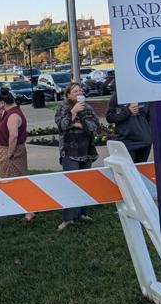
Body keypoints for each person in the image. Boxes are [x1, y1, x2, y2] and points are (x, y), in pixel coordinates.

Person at [54, 82, 100, 231]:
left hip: (86, 150)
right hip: (69, 151)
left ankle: (81, 213)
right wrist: (73, 112)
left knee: (84, 183)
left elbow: (95, 126)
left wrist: (79, 125)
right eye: (75, 91)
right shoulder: (62, 108)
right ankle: (68, 218)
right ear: (68, 94)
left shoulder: (88, 108)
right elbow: (61, 126)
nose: (79, 93)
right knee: (71, 184)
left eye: (80, 90)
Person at [0, 87, 32, 221]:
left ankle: (29, 211)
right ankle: (16, 206)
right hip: (4, 149)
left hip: (10, 151)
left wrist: (9, 153)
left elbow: (13, 136)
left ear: (3, 102)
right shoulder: (7, 112)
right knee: (8, 179)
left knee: (18, 180)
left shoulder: (14, 115)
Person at [105, 91, 153, 163]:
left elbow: (150, 118)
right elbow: (110, 118)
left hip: (144, 142)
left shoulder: (144, 95)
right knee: (128, 171)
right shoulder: (117, 96)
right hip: (126, 142)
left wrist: (149, 134)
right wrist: (128, 111)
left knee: (141, 171)